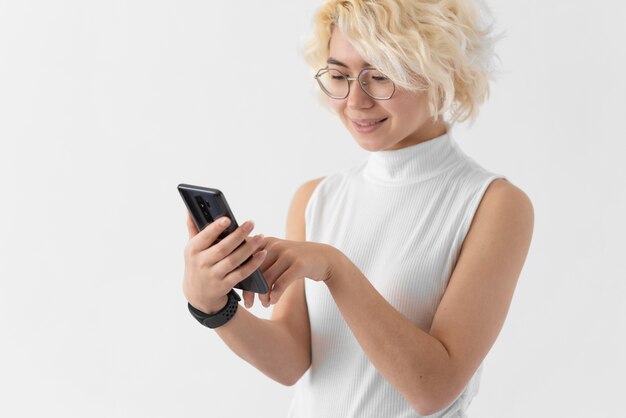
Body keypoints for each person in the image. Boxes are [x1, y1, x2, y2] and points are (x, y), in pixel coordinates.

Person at [182, 0, 534, 416]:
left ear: (441, 71)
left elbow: (433, 388)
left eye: (380, 76)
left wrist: (335, 268)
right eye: (339, 75)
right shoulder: (317, 198)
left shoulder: (492, 204)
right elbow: (292, 361)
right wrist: (212, 306)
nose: (355, 100)